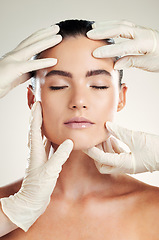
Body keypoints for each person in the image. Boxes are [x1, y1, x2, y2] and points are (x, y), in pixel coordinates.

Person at [0, 19, 159, 239]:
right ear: (32, 98)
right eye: (58, 86)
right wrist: (9, 216)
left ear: (121, 98)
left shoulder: (154, 208)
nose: (79, 101)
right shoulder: (7, 210)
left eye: (98, 85)